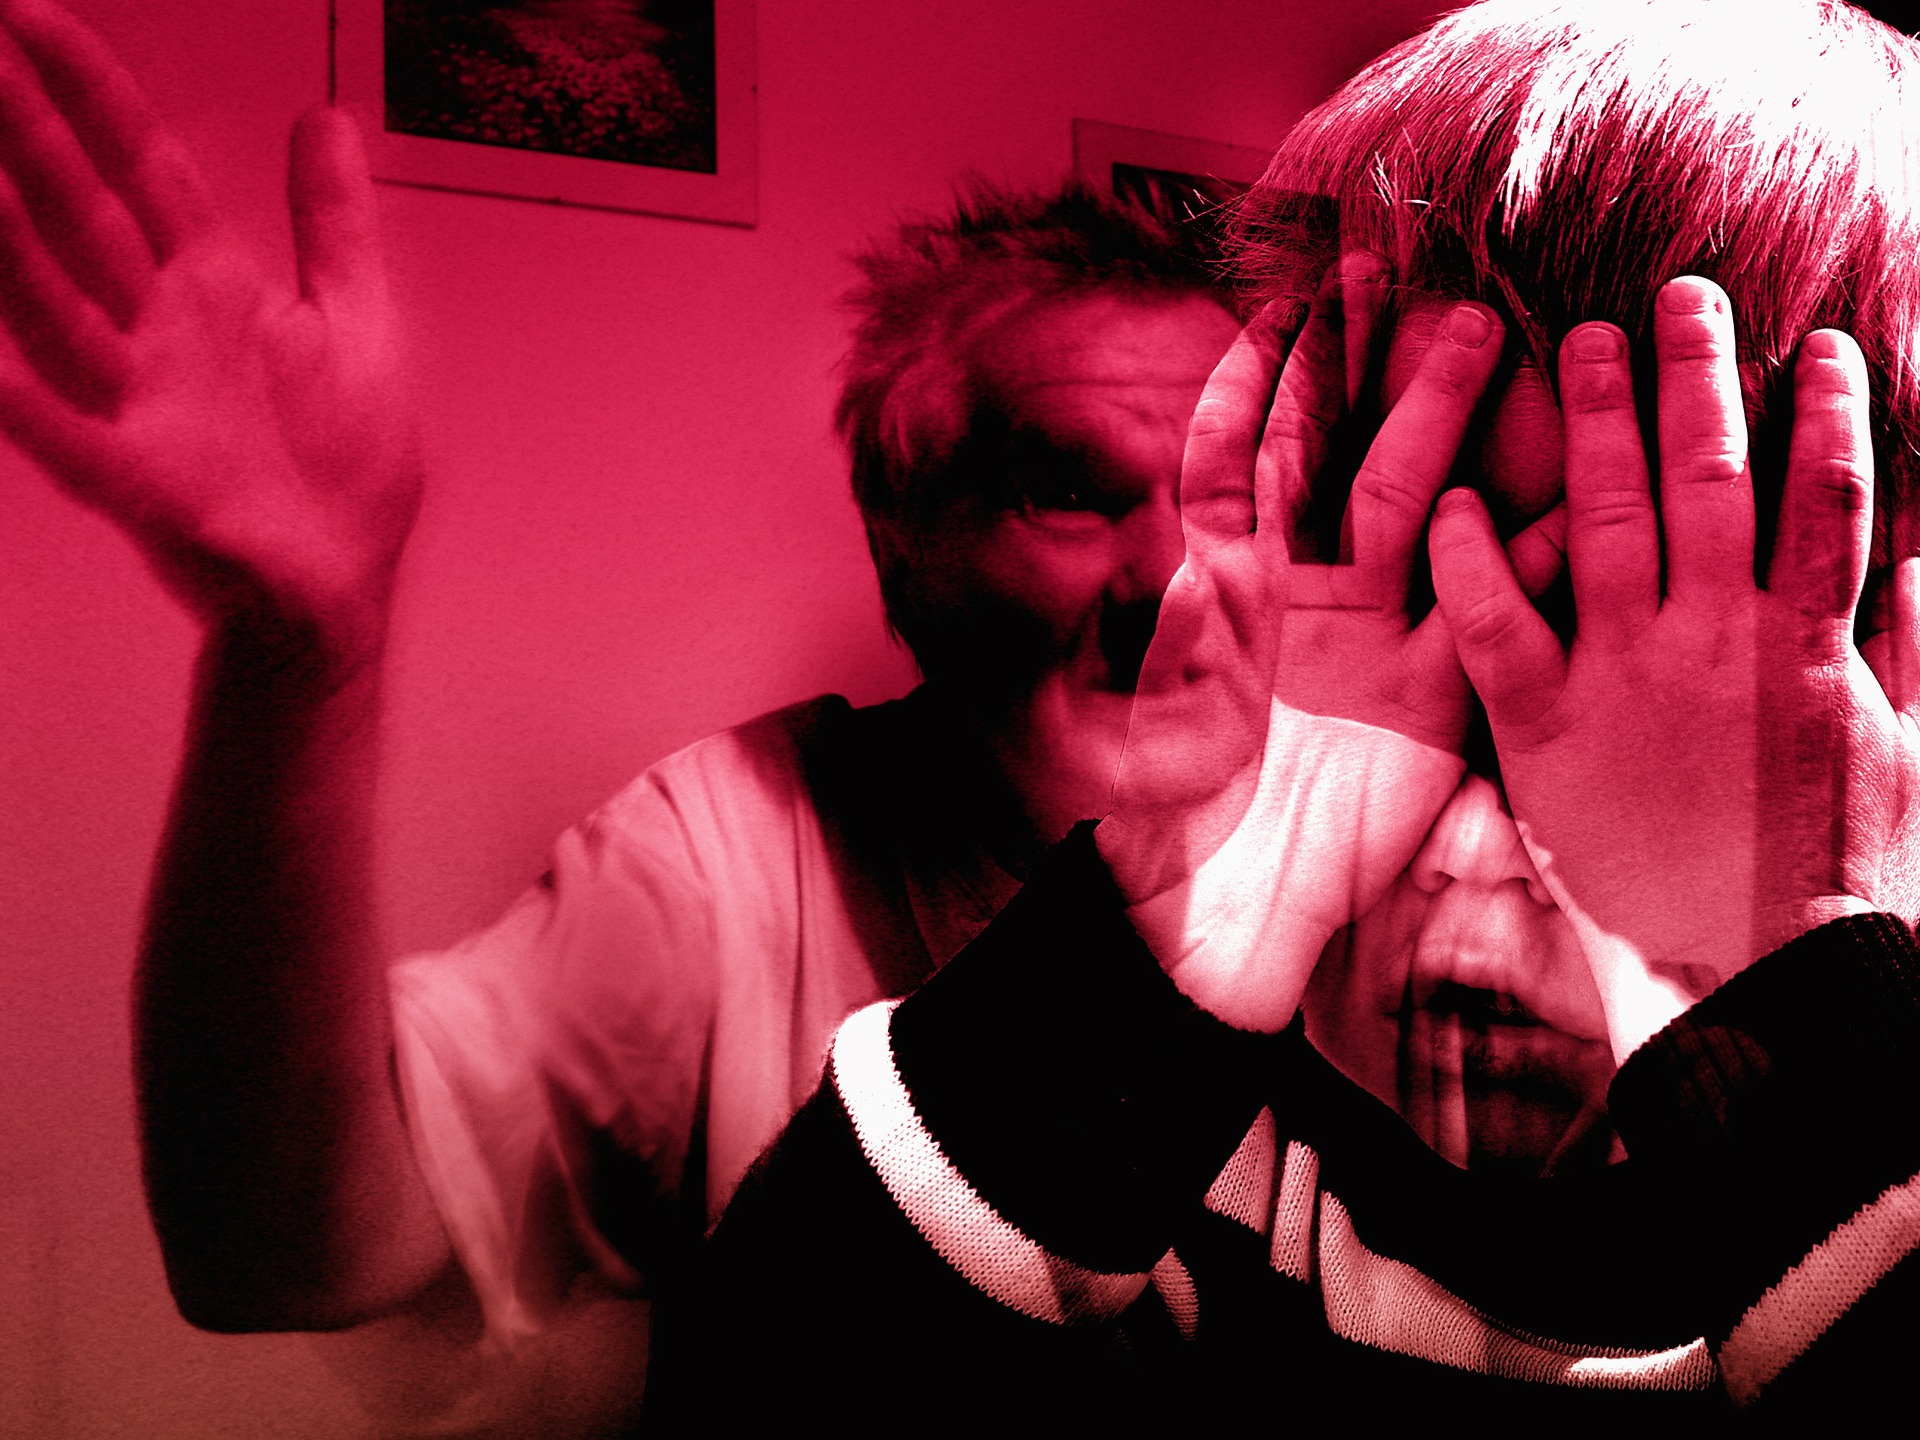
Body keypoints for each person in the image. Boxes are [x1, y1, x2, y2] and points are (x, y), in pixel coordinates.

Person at [0, 0, 1258, 1426]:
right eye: (1069, 492)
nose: (1176, 580)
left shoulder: (1411, 869)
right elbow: (288, 1248)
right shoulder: (734, 862)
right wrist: (302, 653)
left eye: (1229, 498)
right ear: (907, 556)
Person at [669, 0, 1920, 1424]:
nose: (1470, 850)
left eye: (1644, 688)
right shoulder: (1166, 1167)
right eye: (1404, 629)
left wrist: (1799, 983)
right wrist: (1164, 930)